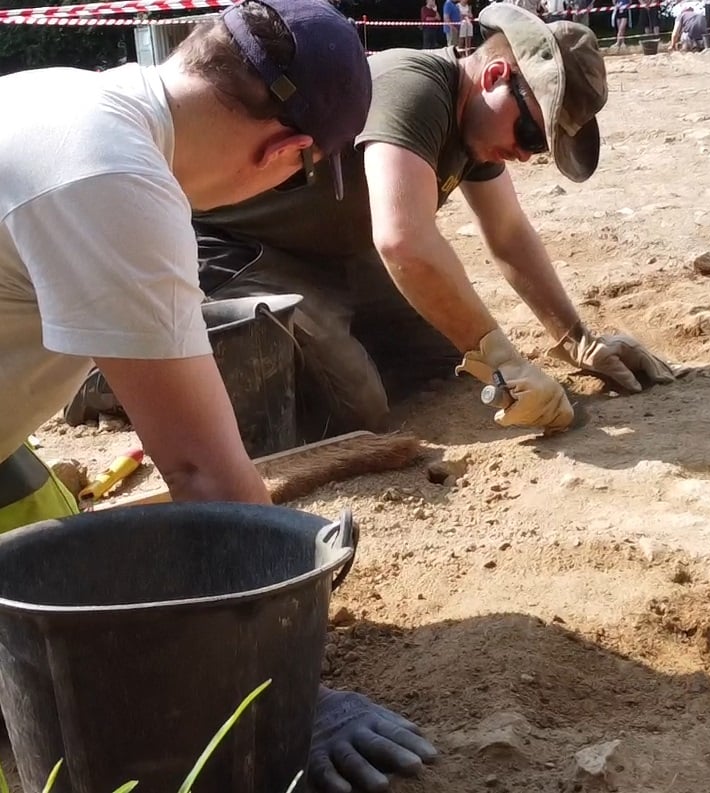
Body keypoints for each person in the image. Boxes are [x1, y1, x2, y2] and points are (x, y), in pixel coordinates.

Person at [0, 1, 437, 791]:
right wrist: (297, 696)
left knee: (55, 560)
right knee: (59, 680)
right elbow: (204, 475)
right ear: (286, 150)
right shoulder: (116, 180)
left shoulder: (72, 97)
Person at [187, 5, 674, 441]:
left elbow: (508, 234)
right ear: (495, 75)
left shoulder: (473, 128)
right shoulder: (417, 85)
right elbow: (403, 243)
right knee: (353, 405)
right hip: (231, 246)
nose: (528, 153)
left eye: (542, 145)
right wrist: (504, 362)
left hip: (325, 257)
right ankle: (130, 368)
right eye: (531, 131)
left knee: (440, 362)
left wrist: (576, 339)